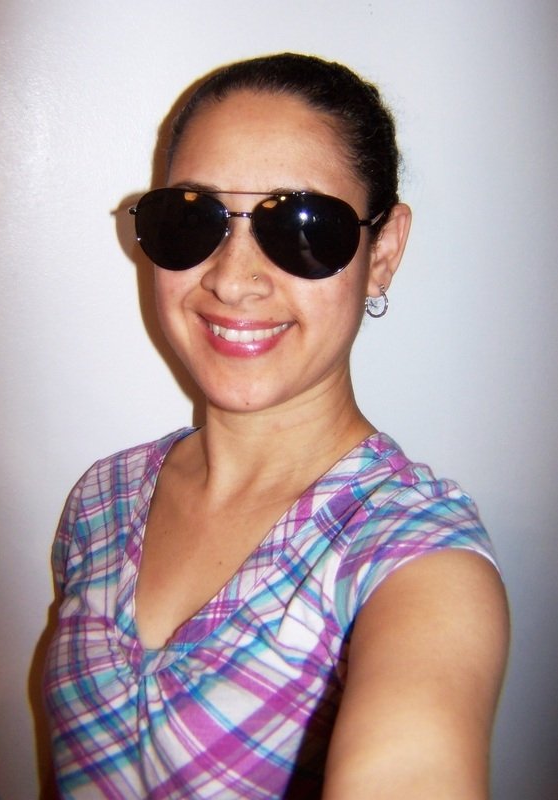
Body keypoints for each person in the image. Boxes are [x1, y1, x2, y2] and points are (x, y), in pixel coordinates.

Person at [44, 53, 509, 799]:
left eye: (300, 225)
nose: (232, 279)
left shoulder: (411, 555)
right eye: (190, 219)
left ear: (383, 251)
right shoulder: (102, 498)